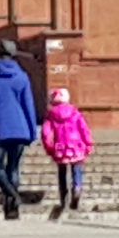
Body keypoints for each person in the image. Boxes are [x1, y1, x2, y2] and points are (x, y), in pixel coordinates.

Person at [0, 41, 43, 220]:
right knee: (13, 168)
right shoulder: (22, 77)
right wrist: (31, 131)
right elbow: (28, 105)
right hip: (19, 128)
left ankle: (12, 195)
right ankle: (12, 208)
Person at [45, 80, 94, 215]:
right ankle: (77, 188)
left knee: (62, 171)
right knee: (76, 168)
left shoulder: (51, 115)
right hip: (76, 145)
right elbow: (84, 129)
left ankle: (64, 194)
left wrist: (49, 147)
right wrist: (88, 143)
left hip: (60, 147)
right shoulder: (75, 113)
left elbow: (46, 132)